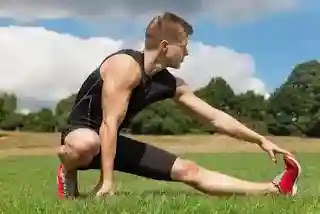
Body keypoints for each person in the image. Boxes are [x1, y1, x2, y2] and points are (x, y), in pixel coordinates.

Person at [56, 12, 301, 199]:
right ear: (165, 46)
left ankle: (274, 190)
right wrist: (106, 181)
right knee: (88, 142)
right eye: (184, 46)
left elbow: (214, 118)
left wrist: (259, 139)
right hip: (81, 137)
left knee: (189, 170)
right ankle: (67, 170)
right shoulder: (125, 66)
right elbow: (109, 123)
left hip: (112, 143)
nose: (187, 52)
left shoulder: (170, 83)